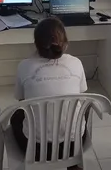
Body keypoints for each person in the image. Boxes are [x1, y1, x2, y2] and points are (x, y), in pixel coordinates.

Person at [11, 17, 88, 167]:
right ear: (65, 43)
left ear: (36, 44)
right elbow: (81, 94)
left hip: (36, 150)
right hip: (75, 145)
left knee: (16, 116)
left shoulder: (24, 66)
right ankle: (73, 164)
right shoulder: (76, 62)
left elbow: (22, 101)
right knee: (82, 106)